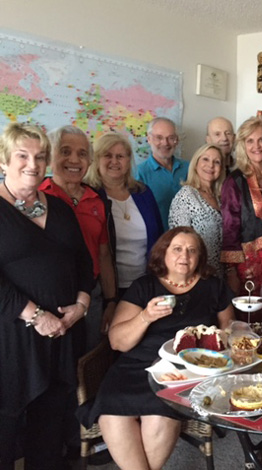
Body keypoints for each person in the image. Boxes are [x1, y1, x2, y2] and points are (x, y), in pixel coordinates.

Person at [81, 227, 234, 470]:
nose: (184, 255)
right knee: (112, 411)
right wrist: (145, 316)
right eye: (177, 249)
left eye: (192, 250)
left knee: (161, 411)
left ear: (200, 257)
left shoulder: (213, 286)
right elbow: (116, 342)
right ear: (163, 253)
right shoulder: (144, 287)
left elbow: (229, 329)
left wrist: (220, 343)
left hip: (184, 372)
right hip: (135, 367)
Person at [0, 123, 93, 470]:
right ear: (4, 161)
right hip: (13, 339)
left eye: (39, 157)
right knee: (6, 425)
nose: (32, 164)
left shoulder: (61, 208)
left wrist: (81, 306)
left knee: (51, 423)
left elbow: (84, 263)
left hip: (64, 334)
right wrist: (37, 316)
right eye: (22, 155)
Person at [40, 125, 117, 351]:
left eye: (82, 154)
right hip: (48, 300)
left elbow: (103, 255)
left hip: (90, 296)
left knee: (89, 361)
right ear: (50, 157)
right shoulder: (37, 196)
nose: (74, 160)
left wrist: (110, 302)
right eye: (65, 151)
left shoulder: (97, 201)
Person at [85, 132, 163, 299]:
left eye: (120, 156)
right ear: (97, 160)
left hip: (145, 284)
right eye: (108, 155)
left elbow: (159, 238)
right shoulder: (89, 196)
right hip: (106, 289)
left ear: (129, 161)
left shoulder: (142, 192)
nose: (114, 161)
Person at [221, 117, 262, 318]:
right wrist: (231, 272)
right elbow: (229, 230)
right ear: (242, 145)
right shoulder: (235, 181)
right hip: (249, 268)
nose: (256, 146)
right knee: (251, 324)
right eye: (250, 141)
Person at [169, 143, 225, 275]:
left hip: (220, 275)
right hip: (196, 274)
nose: (211, 165)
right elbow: (179, 241)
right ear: (195, 163)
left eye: (216, 162)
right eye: (205, 159)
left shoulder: (221, 198)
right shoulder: (186, 195)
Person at [135, 117, 189, 230]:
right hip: (157, 242)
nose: (165, 143)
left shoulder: (190, 168)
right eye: (159, 138)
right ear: (149, 139)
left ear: (177, 140)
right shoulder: (139, 173)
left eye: (171, 138)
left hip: (187, 240)